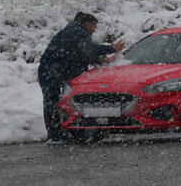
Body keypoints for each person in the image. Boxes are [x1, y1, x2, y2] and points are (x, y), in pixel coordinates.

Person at [37, 12, 124, 141]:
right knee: (52, 102)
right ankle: (55, 134)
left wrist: (102, 61)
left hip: (53, 70)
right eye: (94, 27)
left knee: (62, 100)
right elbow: (90, 48)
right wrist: (112, 48)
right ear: (88, 23)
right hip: (50, 71)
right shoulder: (78, 30)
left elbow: (83, 54)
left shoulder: (73, 31)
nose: (94, 31)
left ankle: (64, 130)